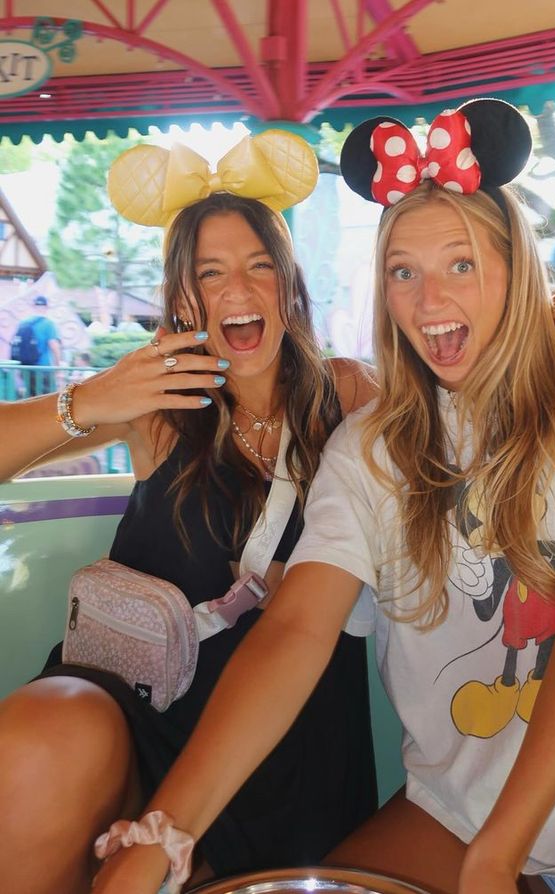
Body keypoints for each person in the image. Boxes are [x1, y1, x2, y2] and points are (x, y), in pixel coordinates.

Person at [92, 101, 555, 894]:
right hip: (465, 804)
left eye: (461, 264)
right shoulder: (369, 447)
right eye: (405, 271)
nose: (430, 301)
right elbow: (295, 629)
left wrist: (499, 856)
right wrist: (164, 834)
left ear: (516, 268)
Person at [0, 131, 384, 894]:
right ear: (181, 297)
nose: (236, 290)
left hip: (287, 738)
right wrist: (87, 402)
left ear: (288, 284)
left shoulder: (347, 394)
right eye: (210, 273)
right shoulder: (158, 405)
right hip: (130, 716)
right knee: (35, 746)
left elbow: (472, 416)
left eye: (258, 265)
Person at [11, 294, 62, 395]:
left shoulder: (23, 323)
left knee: (31, 398)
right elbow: (54, 346)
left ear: (34, 306)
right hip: (43, 369)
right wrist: (58, 367)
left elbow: (15, 344)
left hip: (26, 369)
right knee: (48, 399)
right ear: (46, 307)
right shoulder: (48, 324)